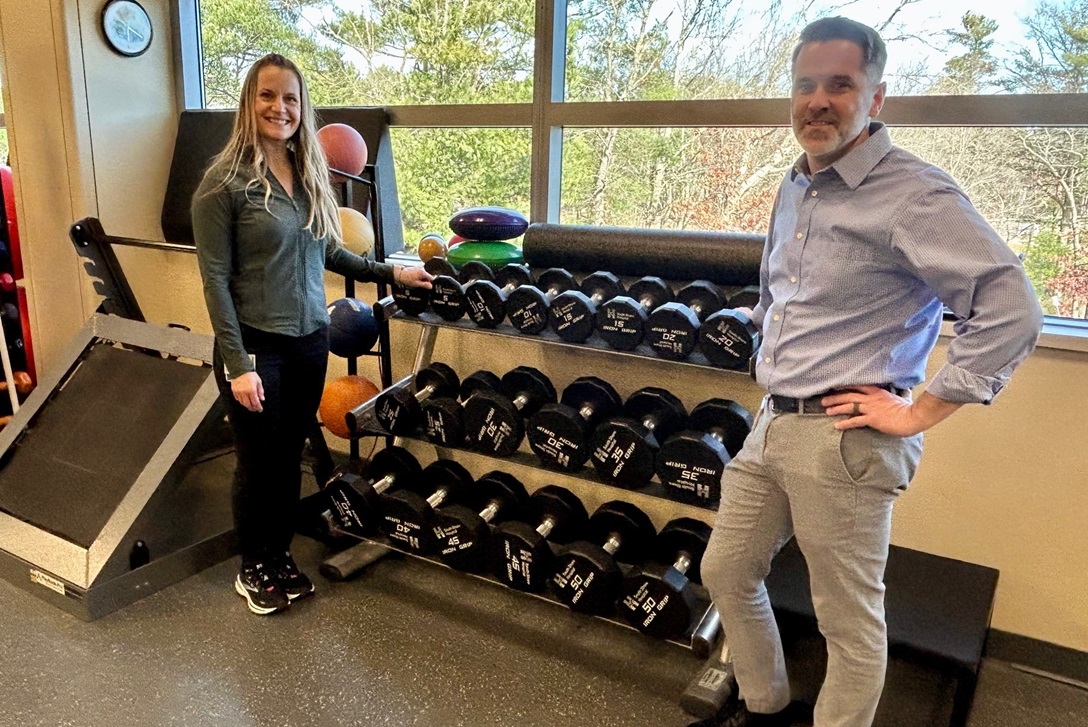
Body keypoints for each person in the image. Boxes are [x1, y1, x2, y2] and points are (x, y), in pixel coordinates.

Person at [694, 17, 1042, 727]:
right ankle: (765, 708)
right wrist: (762, 333)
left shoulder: (912, 194)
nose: (817, 100)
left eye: (840, 84)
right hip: (773, 422)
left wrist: (917, 412)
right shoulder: (798, 182)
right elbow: (783, 292)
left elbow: (1012, 308)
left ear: (876, 98)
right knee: (725, 570)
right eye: (804, 84)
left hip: (846, 440)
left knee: (847, 623)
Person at [192, 53, 432, 616]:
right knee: (258, 463)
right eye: (267, 96)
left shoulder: (307, 175)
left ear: (303, 108)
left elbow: (327, 249)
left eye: (291, 98)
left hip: (308, 341)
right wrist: (239, 363)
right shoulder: (222, 184)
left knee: (287, 458)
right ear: (249, 103)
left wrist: (391, 272)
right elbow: (214, 282)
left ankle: (277, 556)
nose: (280, 108)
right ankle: (253, 567)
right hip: (255, 345)